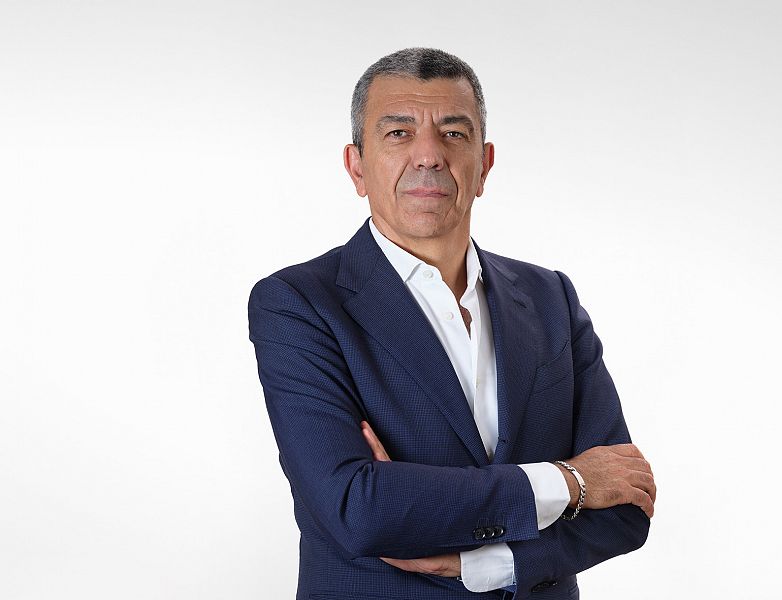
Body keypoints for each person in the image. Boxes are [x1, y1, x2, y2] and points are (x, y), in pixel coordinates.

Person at [248, 47, 655, 600]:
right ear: (356, 166)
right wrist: (572, 481)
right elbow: (357, 507)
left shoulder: (551, 298)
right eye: (398, 133)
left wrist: (485, 564)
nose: (429, 155)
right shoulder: (298, 303)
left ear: (484, 164)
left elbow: (627, 502)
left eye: (453, 133)